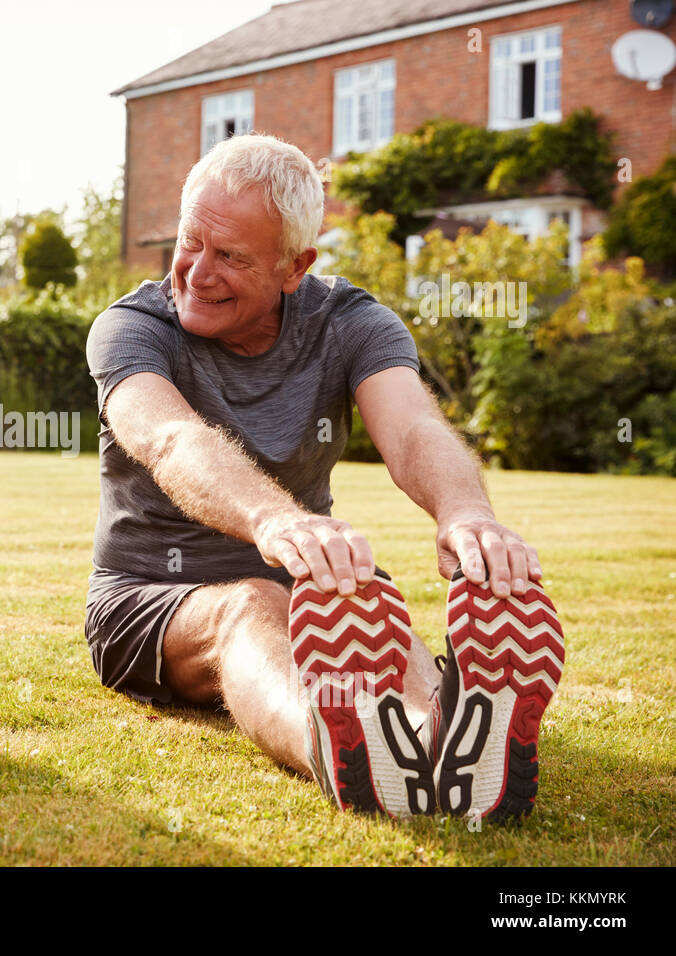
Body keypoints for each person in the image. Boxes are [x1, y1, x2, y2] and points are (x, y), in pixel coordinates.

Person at [84, 133, 564, 823]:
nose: (196, 271)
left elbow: (412, 428)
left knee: (367, 601)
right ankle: (344, 751)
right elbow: (169, 439)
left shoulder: (350, 322)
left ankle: (446, 743)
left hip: (313, 583)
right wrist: (273, 520)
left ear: (294, 266)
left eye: (231, 257)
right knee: (249, 603)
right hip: (149, 598)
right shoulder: (131, 327)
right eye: (191, 242)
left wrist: (464, 513)